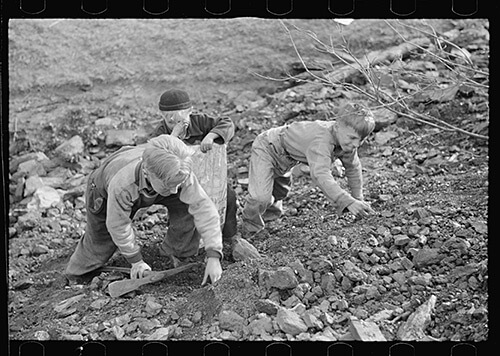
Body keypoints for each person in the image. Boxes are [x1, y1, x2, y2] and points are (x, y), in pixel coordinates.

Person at [65, 135, 223, 285]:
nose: (175, 191)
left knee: (187, 206)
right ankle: (77, 275)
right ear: (148, 173)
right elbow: (118, 225)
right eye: (170, 185)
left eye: (178, 184)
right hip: (104, 190)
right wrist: (136, 261)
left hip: (157, 184)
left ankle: (178, 252)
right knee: (101, 239)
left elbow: (204, 209)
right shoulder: (122, 185)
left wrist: (214, 255)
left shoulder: (180, 171)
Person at [241, 104, 376, 236]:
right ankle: (250, 228)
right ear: (337, 126)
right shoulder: (321, 142)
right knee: (260, 197)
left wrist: (358, 198)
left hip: (289, 156)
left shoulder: (346, 141)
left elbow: (353, 168)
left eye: (361, 140)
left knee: (281, 191)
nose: (356, 144)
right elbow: (320, 175)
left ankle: (270, 215)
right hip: (268, 147)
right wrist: (347, 201)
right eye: (352, 138)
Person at [149, 88, 237, 240]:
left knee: (228, 195)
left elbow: (227, 124)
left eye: (177, 116)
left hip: (209, 177)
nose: (171, 120)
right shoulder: (160, 132)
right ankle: (183, 246)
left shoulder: (199, 121)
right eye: (167, 116)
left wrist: (211, 136)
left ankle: (229, 236)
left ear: (189, 111)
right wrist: (174, 136)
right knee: (182, 209)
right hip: (180, 181)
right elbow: (157, 155)